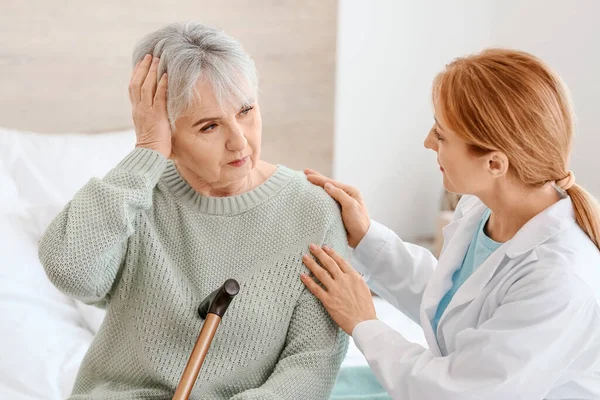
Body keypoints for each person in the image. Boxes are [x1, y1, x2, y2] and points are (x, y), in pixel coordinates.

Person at [39, 21, 348, 399]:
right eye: (208, 127)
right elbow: (72, 272)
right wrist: (147, 150)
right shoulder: (136, 196)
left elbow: (312, 362)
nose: (239, 141)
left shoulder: (313, 211)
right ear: (168, 131)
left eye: (246, 110)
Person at [300, 48, 600, 399]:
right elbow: (453, 301)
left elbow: (458, 392)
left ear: (494, 164)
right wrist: (366, 237)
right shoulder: (481, 208)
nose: (428, 142)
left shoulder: (559, 279)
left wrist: (363, 322)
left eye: (441, 135)